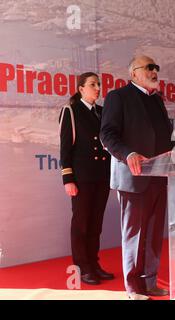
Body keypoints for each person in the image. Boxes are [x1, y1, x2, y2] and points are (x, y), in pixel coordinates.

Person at [100, 55, 172, 300]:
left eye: (156, 67)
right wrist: (127, 153)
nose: (154, 71)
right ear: (133, 73)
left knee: (153, 235)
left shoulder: (157, 100)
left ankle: (150, 282)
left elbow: (163, 138)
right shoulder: (118, 97)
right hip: (133, 176)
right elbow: (107, 135)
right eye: (149, 67)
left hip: (159, 175)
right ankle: (133, 289)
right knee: (134, 235)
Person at [59, 72, 114, 285]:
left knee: (95, 224)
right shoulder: (71, 111)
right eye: (92, 84)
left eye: (99, 84)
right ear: (81, 88)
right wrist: (68, 179)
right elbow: (65, 149)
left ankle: (94, 263)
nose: (98, 88)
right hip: (82, 178)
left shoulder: (102, 112)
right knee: (81, 224)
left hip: (101, 176)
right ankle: (83, 268)